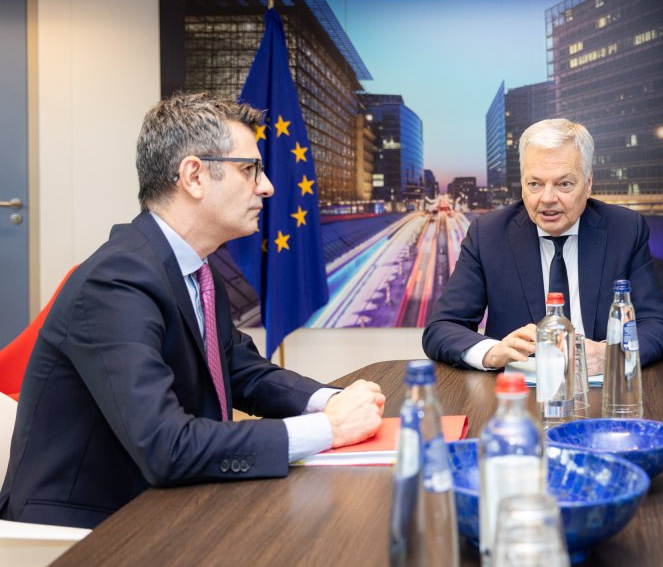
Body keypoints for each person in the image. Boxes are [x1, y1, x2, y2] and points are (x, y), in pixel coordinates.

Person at [0, 94, 386, 529]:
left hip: (166, 506)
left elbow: (244, 373)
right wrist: (328, 429)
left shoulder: (194, 270)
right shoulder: (115, 281)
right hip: (86, 532)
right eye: (250, 170)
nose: (267, 186)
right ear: (194, 176)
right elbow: (165, 446)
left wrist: (334, 402)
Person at [423, 118, 663, 372]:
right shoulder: (488, 234)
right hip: (517, 396)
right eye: (535, 184)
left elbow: (657, 327)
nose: (547, 199)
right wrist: (492, 351)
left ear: (588, 184)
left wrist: (610, 354)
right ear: (522, 184)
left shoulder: (625, 229)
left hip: (601, 392)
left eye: (564, 184)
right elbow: (442, 328)